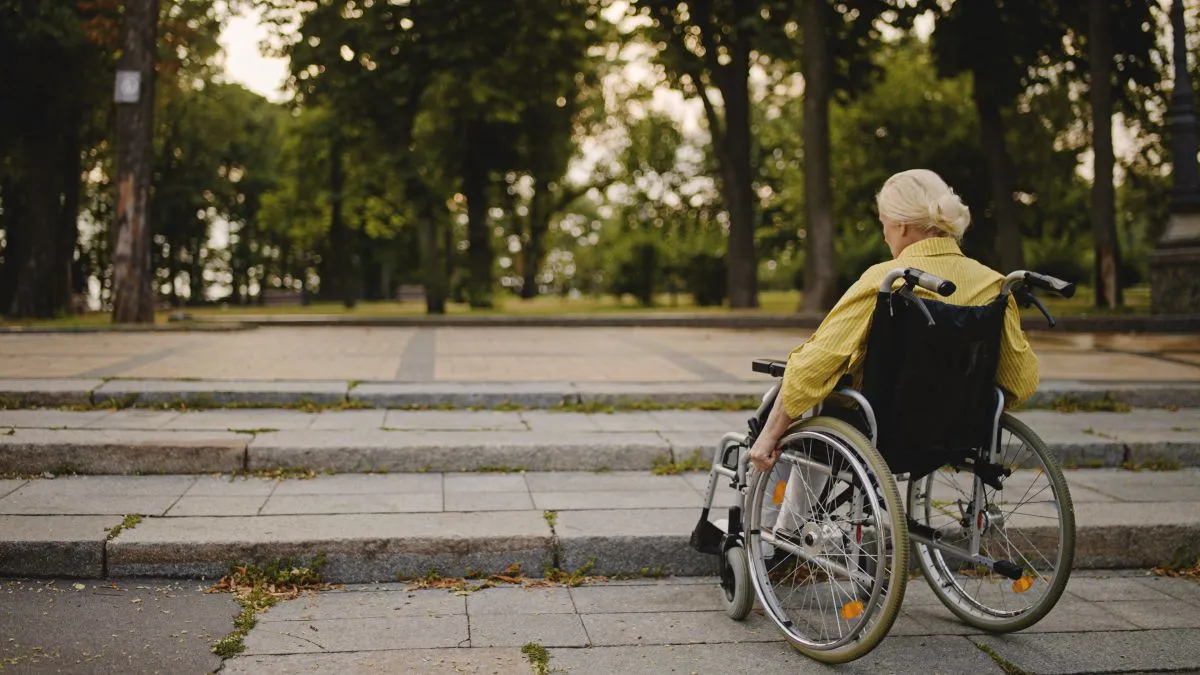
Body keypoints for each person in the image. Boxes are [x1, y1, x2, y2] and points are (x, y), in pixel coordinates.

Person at [747, 169, 1040, 532]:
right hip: (959, 430)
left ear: (900, 226)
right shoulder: (993, 284)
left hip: (880, 430)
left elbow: (814, 366)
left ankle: (775, 537)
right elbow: (1022, 381)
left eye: (883, 222)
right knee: (806, 405)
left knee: (792, 405)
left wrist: (769, 435)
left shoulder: (886, 279)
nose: (884, 232)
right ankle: (785, 530)